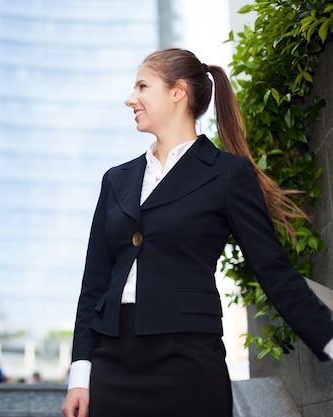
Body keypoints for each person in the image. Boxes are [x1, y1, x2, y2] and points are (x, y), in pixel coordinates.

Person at [61, 48, 333, 417]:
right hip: (112, 360)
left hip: (187, 359)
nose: (130, 99)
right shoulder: (116, 179)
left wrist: (330, 338)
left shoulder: (228, 174)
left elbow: (274, 272)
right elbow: (94, 283)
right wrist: (80, 373)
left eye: (142, 86)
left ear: (178, 92)